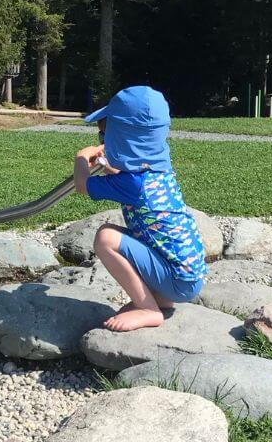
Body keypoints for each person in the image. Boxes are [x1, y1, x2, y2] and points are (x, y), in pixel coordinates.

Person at [73, 86, 206, 332]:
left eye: (104, 137)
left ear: (121, 140)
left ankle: (148, 309)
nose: (102, 143)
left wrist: (82, 157)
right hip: (187, 274)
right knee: (119, 236)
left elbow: (82, 186)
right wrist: (106, 160)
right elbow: (126, 177)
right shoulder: (157, 171)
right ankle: (158, 299)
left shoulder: (132, 184)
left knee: (106, 237)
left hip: (177, 280)